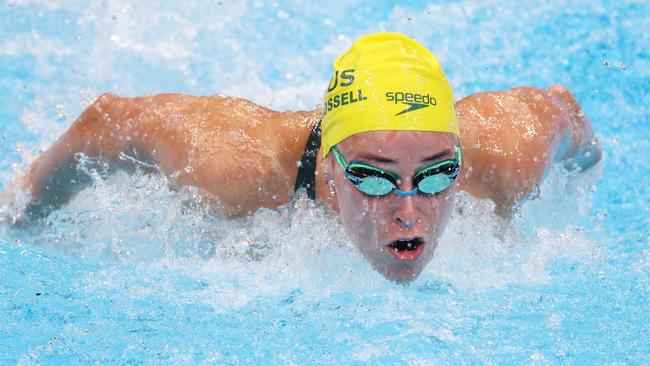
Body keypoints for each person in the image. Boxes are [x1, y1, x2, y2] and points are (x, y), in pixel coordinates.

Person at [0, 33, 601, 282]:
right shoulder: (231, 166)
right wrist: (17, 213)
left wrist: (587, 164)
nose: (410, 210)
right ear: (330, 167)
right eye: (373, 176)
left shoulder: (505, 155)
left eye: (438, 173)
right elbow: (103, 120)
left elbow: (565, 114)